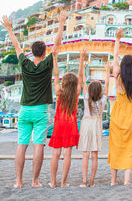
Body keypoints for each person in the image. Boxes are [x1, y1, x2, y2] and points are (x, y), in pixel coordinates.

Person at [1, 11, 67, 188]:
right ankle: (35, 181)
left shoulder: (25, 63)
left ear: (32, 52)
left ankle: (18, 182)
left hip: (24, 110)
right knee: (38, 145)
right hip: (39, 111)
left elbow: (16, 46)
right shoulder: (47, 64)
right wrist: (61, 23)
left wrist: (9, 29)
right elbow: (58, 46)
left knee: (21, 146)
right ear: (44, 53)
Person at [108, 27, 132, 186]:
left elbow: (115, 56)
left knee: (115, 146)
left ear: (122, 67)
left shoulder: (117, 76)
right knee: (131, 146)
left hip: (118, 115)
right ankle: (127, 180)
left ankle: (113, 180)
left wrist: (117, 39)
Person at [48, 47, 86, 188]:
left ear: (64, 83)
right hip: (70, 125)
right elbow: (80, 76)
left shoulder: (59, 91)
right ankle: (63, 182)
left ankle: (53, 182)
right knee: (67, 154)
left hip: (58, 125)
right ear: (75, 83)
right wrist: (82, 58)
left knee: (56, 154)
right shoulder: (76, 92)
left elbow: (56, 74)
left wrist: (54, 58)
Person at [78, 61, 110, 187]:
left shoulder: (86, 97)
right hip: (97, 124)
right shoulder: (103, 99)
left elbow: (83, 81)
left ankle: (84, 181)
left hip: (86, 123)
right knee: (94, 155)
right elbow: (107, 84)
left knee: (85, 154)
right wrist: (108, 71)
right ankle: (92, 181)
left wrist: (83, 66)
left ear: (90, 89)